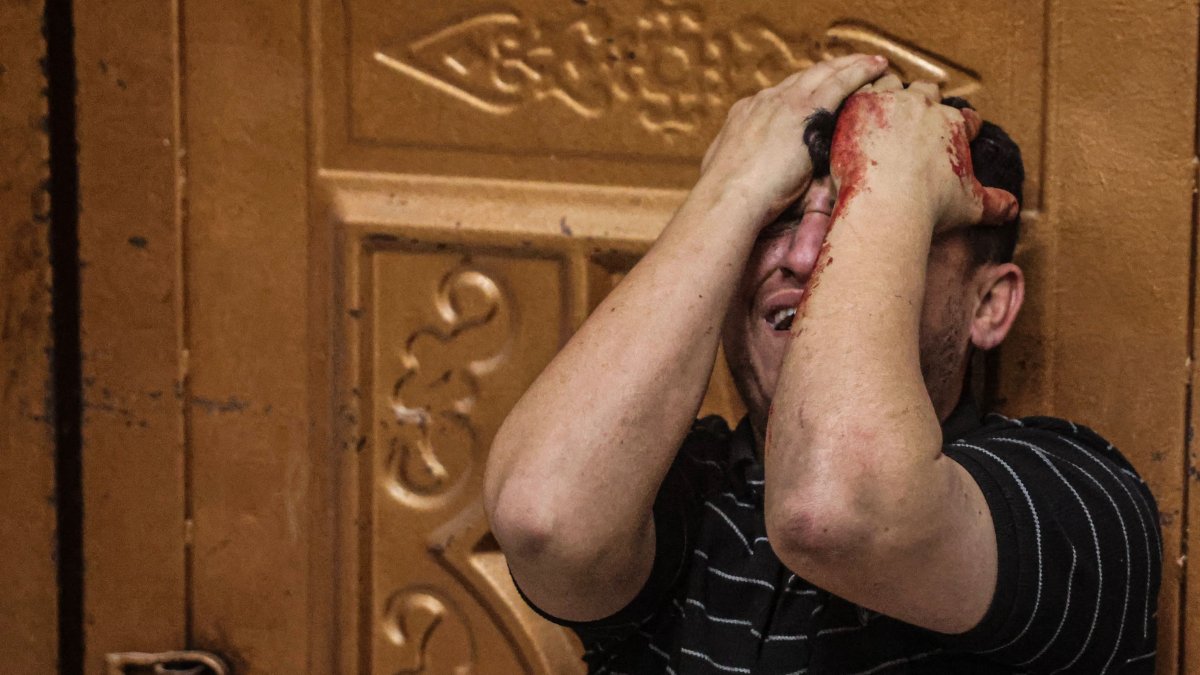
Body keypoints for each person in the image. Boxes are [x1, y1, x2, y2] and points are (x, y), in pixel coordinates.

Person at [483, 54, 1162, 673]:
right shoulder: (682, 488)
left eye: (854, 212)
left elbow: (835, 511)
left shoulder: (1075, 498)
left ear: (989, 305)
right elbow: (544, 516)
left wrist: (892, 173)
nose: (804, 255)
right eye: (778, 217)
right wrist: (733, 187)